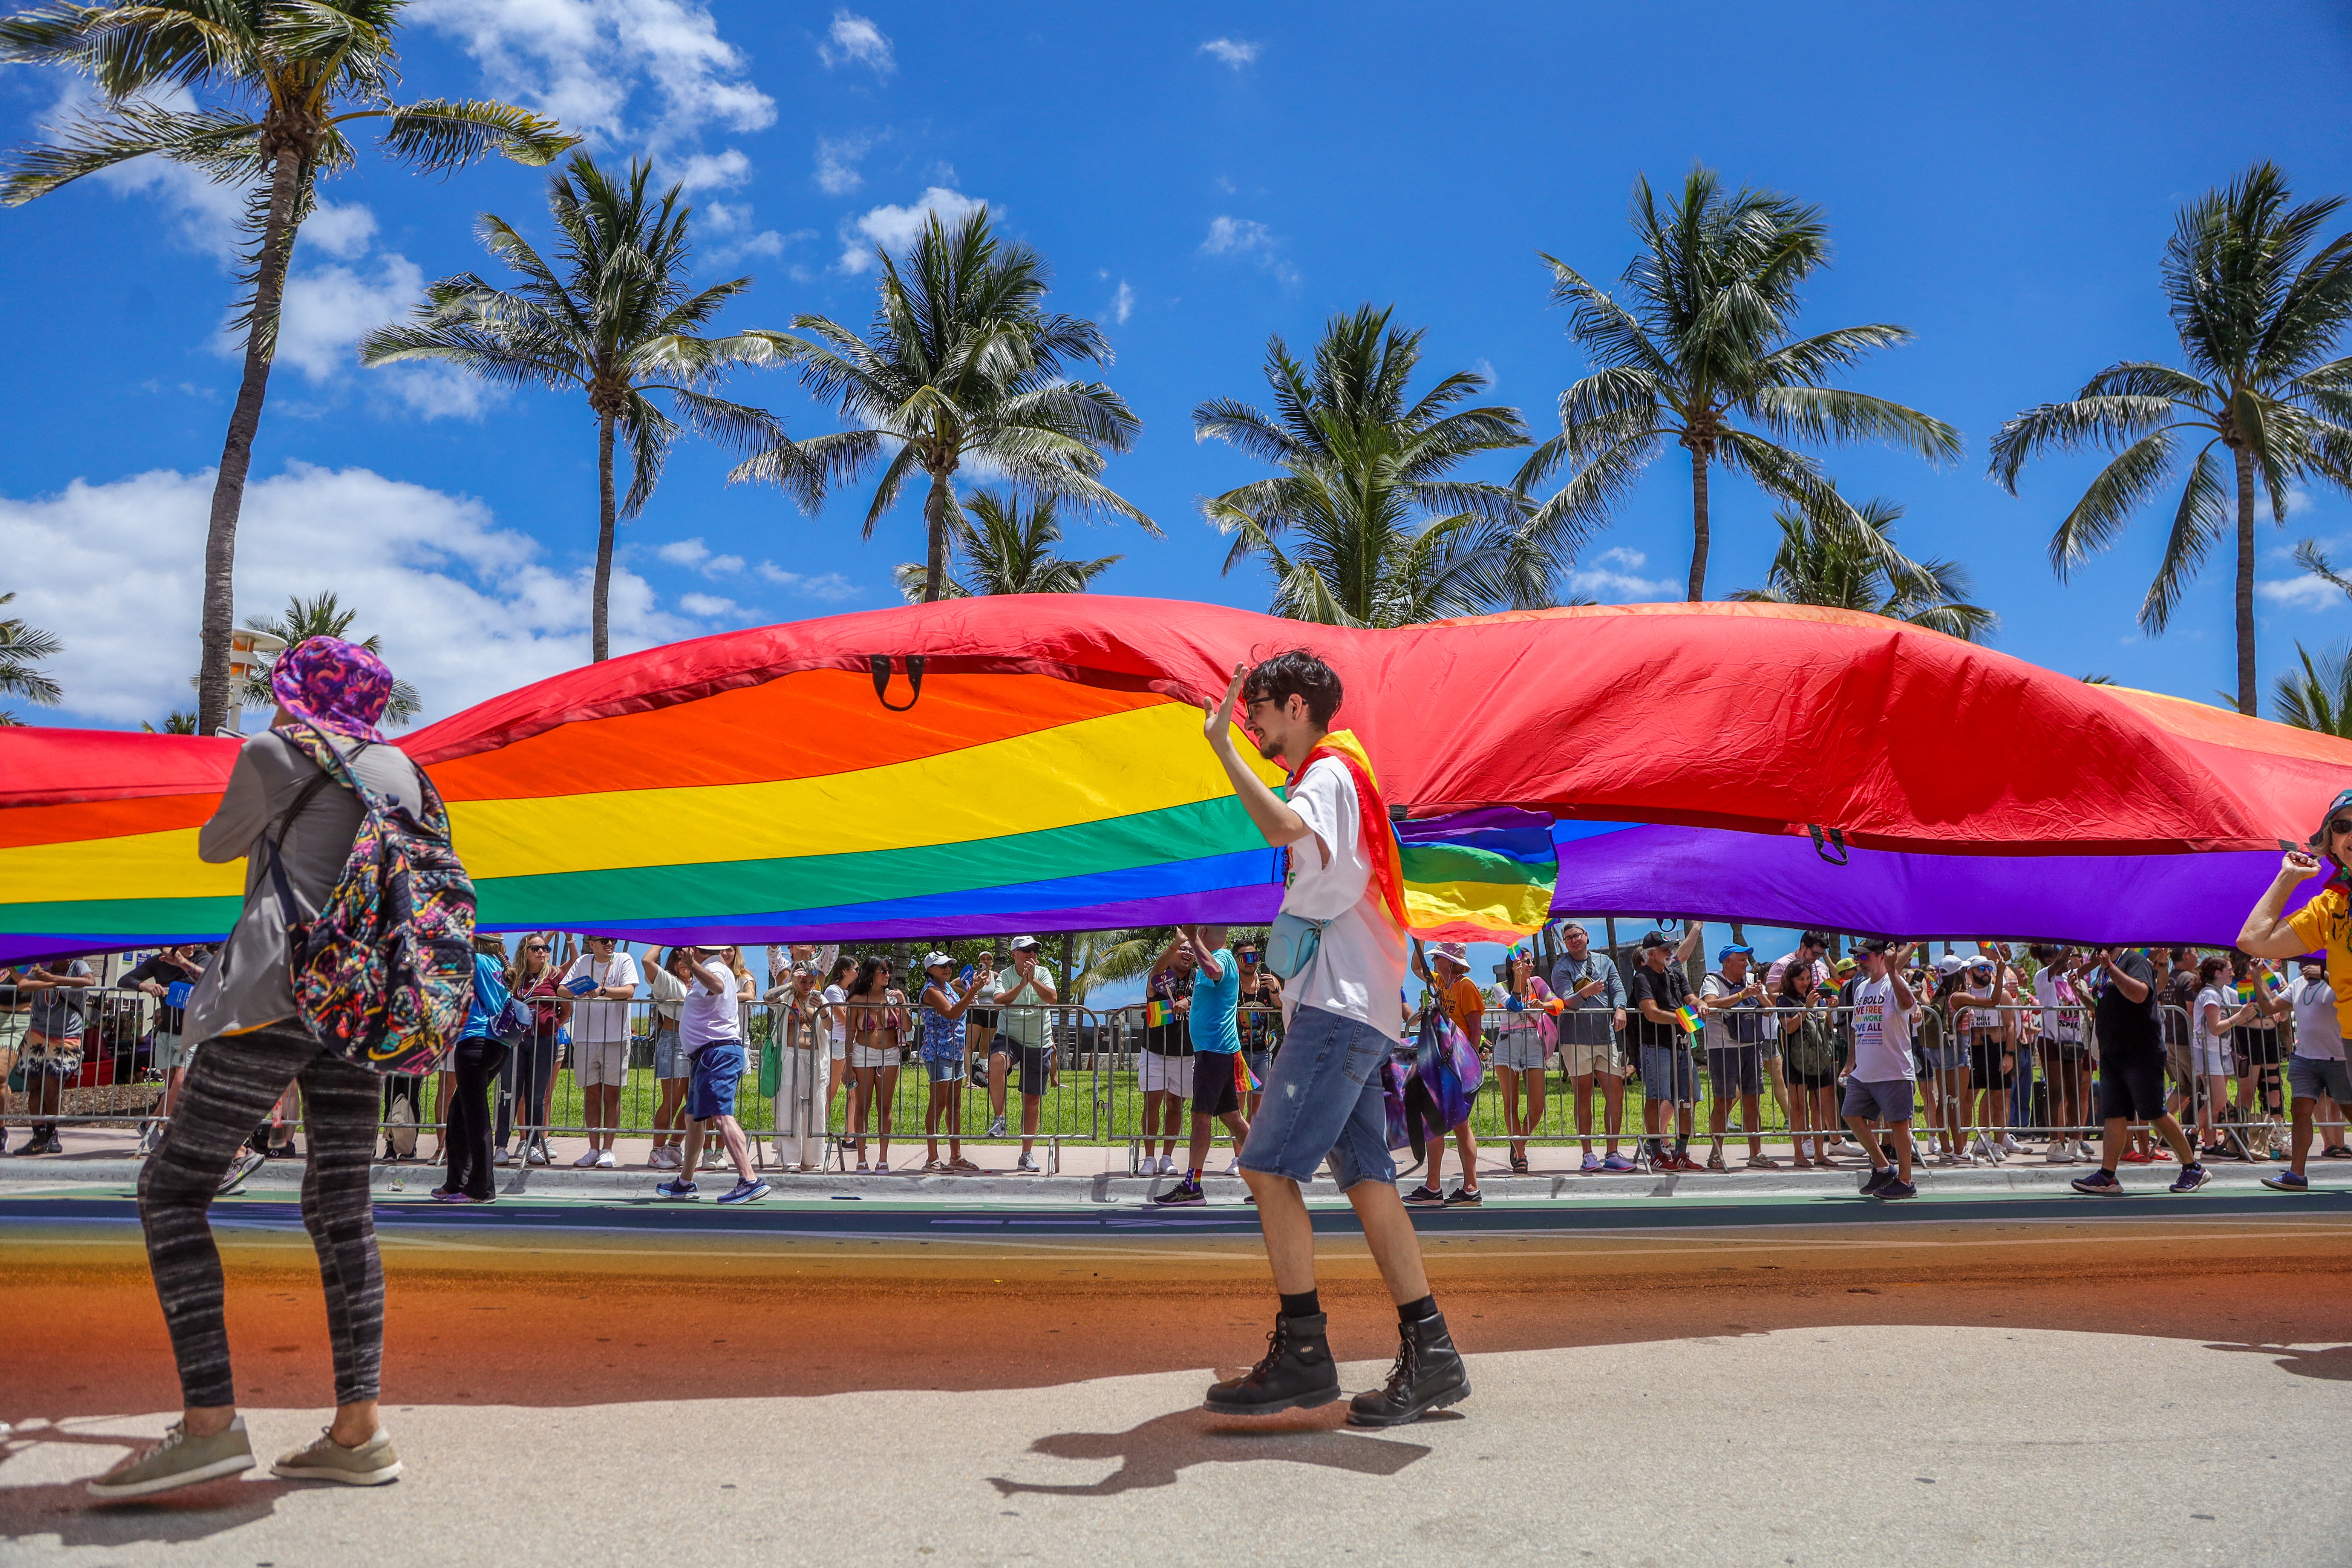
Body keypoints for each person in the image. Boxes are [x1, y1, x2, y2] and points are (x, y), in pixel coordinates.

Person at [90, 636, 421, 1498]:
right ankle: (359, 1431)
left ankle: (208, 1425)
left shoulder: (275, 750)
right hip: (363, 1004)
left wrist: (268, 775)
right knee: (343, 1209)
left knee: (173, 1189)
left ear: (297, 693)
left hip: (278, 993)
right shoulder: (405, 771)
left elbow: (216, 846)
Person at [1197, 649, 1467, 1427]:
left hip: (1338, 1011)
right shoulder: (1343, 775)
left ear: (1292, 705)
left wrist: (1219, 748)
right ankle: (1435, 1354)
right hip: (1358, 1008)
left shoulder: (1327, 773)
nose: (1253, 730)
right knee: (1370, 1182)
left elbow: (1283, 824)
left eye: (1258, 715)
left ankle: (1305, 1353)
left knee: (1266, 1167)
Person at [2066, 943, 2206, 1196]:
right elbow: (2102, 1008)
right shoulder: (2106, 970)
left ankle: (2193, 1167)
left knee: (2154, 1112)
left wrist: (2110, 967)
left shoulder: (2133, 962)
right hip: (2114, 1052)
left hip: (2142, 1051)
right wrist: (2081, 993)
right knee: (2115, 1115)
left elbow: (2141, 994)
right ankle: (2107, 1176)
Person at [655, 944, 767, 1205]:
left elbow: (717, 986)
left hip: (717, 1054)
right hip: (706, 1057)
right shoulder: (712, 968)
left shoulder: (714, 967)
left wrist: (693, 965)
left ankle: (749, 1179)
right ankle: (684, 1182)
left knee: (721, 1116)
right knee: (693, 1119)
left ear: (697, 949)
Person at [1155, 924, 1251, 1205]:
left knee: (1201, 1117)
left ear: (1203, 931)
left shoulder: (1220, 958)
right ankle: (1271, 1175)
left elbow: (1214, 972)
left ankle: (1192, 1186)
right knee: (1233, 1119)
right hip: (1215, 1051)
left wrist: (1193, 937)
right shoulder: (1220, 958)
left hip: (1214, 1051)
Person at [433, 933, 516, 1205]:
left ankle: (481, 1188)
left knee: (475, 1116)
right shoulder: (495, 963)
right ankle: (457, 1181)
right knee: (459, 1113)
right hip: (496, 1043)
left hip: (476, 1041)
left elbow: (488, 1003)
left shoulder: (476, 961)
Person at [1403, 939, 1483, 1206]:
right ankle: (1442, 1186)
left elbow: (1476, 1029)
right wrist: (1419, 936)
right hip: (1444, 1065)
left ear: (1450, 962)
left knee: (1455, 1125)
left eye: (1438, 958)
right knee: (1440, 1123)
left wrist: (1468, 1068)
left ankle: (1463, 1187)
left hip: (1458, 1067)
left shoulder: (1466, 987)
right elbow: (1417, 967)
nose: (1434, 962)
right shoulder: (1442, 983)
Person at [1549, 922, 1631, 1171]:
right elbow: (1567, 1002)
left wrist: (1620, 1008)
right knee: (1583, 1095)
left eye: (1576, 936)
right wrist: (1587, 992)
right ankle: (1588, 1155)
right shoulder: (1561, 968)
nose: (1573, 941)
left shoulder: (1605, 962)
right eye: (1568, 938)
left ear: (1586, 937)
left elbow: (1618, 988)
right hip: (1575, 1039)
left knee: (1615, 1093)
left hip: (1605, 1038)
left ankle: (1613, 1152)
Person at [1842, 939, 1920, 1199]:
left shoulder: (1893, 982)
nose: (1859, 962)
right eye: (1858, 958)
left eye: (1864, 957)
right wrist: (1849, 1064)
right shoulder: (1862, 987)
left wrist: (1894, 971)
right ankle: (1883, 1167)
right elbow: (1857, 1028)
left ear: (1879, 957)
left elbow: (1909, 1005)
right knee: (1851, 1114)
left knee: (1898, 1124)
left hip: (1893, 1068)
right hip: (1864, 1069)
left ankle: (1906, 1181)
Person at [2267, 959, 2350, 1191]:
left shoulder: (2339, 979)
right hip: (2305, 1059)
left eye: (2308, 961)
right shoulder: (2296, 985)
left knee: (2349, 1109)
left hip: (2340, 1059)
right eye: (2301, 961)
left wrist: (2325, 974)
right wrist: (2256, 978)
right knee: (2300, 1110)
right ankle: (2297, 1174)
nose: (2303, 965)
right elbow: (2269, 1008)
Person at [559, 935, 639, 1169]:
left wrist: (602, 991)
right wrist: (577, 991)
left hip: (615, 1037)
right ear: (591, 943)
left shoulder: (624, 959)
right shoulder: (583, 961)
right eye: (603, 940)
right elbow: (562, 989)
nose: (609, 943)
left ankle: (608, 1150)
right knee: (591, 1095)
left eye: (612, 939)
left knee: (612, 1096)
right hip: (584, 1038)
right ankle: (593, 1149)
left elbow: (629, 991)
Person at [123, 945, 210, 1155]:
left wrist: (177, 971)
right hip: (166, 1033)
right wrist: (145, 986)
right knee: (173, 1088)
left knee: (181, 1084)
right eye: (185, 942)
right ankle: (177, 1137)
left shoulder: (203, 958)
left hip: (193, 1033)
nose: (191, 946)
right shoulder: (158, 961)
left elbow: (206, 980)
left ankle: (150, 1124)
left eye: (194, 942)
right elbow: (125, 980)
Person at [1630, 926, 1704, 1171]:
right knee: (1657, 1097)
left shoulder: (1675, 974)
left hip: (1682, 1045)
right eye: (1665, 949)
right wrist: (1684, 1018)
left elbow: (1690, 998)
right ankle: (1656, 1153)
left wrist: (1700, 1004)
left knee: (1687, 1099)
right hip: (1656, 1046)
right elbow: (1651, 1013)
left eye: (1671, 948)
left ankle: (1681, 1151)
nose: (1670, 952)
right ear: (1651, 954)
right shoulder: (1642, 976)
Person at [1697, 940, 1775, 1170]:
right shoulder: (1712, 980)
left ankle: (1756, 1153)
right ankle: (1716, 1154)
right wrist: (1742, 995)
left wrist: (1758, 994)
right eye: (1742, 959)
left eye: (1747, 959)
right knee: (1723, 1102)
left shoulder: (1752, 980)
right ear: (1727, 961)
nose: (1746, 964)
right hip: (1723, 1048)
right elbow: (1711, 1005)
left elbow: (1770, 1010)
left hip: (1752, 1045)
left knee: (1753, 1100)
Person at [496, 933, 568, 1166]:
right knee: (509, 1093)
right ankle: (501, 1146)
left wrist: (553, 1025)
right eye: (536, 948)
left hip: (545, 1041)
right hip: (515, 1042)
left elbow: (566, 1010)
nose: (542, 952)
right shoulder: (515, 976)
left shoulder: (555, 975)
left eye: (545, 948)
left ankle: (535, 1143)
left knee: (538, 1095)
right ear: (525, 951)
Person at [14, 956, 95, 1154]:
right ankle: (38, 1136)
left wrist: (55, 980)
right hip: (38, 1034)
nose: (67, 959)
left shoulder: (78, 966)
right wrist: (48, 978)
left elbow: (90, 981)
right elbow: (23, 985)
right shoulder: (43, 968)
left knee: (52, 1089)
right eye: (62, 956)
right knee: (35, 1088)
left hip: (66, 1037)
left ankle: (52, 1133)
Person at [993, 937, 1059, 1173]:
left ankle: (1026, 1154)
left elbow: (1052, 999)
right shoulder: (1005, 976)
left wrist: (1033, 981)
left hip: (1038, 1041)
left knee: (1032, 1101)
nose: (1032, 953)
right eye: (1026, 950)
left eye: (1035, 950)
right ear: (1014, 954)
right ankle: (999, 1119)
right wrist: (1022, 984)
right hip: (1009, 1036)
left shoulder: (1044, 973)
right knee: (997, 1061)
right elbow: (999, 1001)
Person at [917, 952, 987, 1173]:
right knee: (938, 1105)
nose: (947, 968)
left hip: (955, 1053)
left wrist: (971, 989)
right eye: (941, 966)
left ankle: (956, 1156)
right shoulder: (931, 990)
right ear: (930, 970)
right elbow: (951, 1013)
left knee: (955, 1106)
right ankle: (932, 1158)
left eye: (949, 965)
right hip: (939, 1052)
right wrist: (973, 991)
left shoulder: (947, 988)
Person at [1487, 948, 1553, 1174]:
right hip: (1508, 1045)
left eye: (1532, 961)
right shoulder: (1500, 987)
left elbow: (1556, 1002)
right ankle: (1522, 1155)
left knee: (1538, 1106)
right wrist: (1517, 979)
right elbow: (1514, 1006)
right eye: (1526, 962)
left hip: (1533, 1044)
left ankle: (1518, 1144)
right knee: (1511, 1103)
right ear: (1513, 965)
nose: (1531, 965)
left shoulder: (1538, 984)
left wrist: (1544, 1005)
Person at [1776, 959, 1844, 1167]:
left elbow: (1827, 1027)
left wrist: (1831, 1009)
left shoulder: (1816, 998)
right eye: (1800, 979)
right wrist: (1807, 1008)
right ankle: (1799, 1154)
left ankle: (1820, 1154)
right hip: (1797, 1062)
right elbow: (1789, 1027)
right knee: (1798, 1109)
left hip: (1820, 1059)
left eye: (1808, 978)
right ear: (1791, 979)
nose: (1805, 983)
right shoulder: (1784, 1000)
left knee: (1819, 1108)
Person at [1139, 937, 1197, 1177]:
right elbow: (1154, 976)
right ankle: (1149, 1159)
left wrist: (1189, 1001)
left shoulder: (1198, 977)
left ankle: (1167, 1158)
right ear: (1173, 952)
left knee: (1176, 1106)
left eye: (1191, 950)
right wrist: (1176, 942)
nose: (1187, 953)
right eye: (1182, 949)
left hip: (1187, 1054)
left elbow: (1209, 998)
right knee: (1152, 1104)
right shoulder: (1161, 977)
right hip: (1155, 1052)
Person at [842, 955, 906, 1172]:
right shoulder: (858, 999)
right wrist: (847, 1065)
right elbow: (850, 1033)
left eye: (889, 972)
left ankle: (883, 1158)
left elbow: (906, 1026)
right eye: (883, 972)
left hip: (890, 1055)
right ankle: (861, 1158)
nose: (888, 976)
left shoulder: (894, 999)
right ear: (872, 974)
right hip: (863, 1054)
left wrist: (903, 1004)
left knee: (885, 1107)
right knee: (863, 1106)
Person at [2032, 946, 2094, 1165]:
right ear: (2052, 958)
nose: (2071, 960)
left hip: (2074, 1040)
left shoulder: (2070, 977)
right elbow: (2059, 963)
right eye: (2068, 956)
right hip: (2051, 1040)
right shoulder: (2043, 977)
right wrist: (2066, 947)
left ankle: (2075, 1143)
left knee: (2075, 1094)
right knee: (2056, 1092)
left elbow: (2090, 965)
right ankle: (2055, 1145)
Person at [767, 962, 827, 1172]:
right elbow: (768, 998)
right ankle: (791, 1159)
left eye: (812, 982)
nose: (808, 985)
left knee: (816, 1107)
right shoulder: (787, 996)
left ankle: (813, 1158)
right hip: (791, 1055)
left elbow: (830, 1026)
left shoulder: (819, 998)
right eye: (804, 981)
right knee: (789, 1105)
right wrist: (789, 984)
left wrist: (823, 1010)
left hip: (816, 1057)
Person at [645, 947, 693, 1168]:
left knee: (696, 1101)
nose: (683, 962)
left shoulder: (701, 980)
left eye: (687, 957)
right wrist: (664, 941)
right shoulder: (667, 980)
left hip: (698, 1044)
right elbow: (647, 961)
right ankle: (656, 1151)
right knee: (673, 1100)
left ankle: (674, 1146)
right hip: (674, 1042)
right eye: (678, 957)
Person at [1235, 943, 1283, 1129]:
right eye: (1246, 957)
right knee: (1238, 1105)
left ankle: (1251, 1155)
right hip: (1238, 1052)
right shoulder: (1233, 982)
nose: (1251, 962)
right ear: (1236, 960)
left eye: (1254, 957)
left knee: (1258, 1107)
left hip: (1262, 1053)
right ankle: (1238, 1157)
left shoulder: (1267, 981)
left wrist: (1274, 989)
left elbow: (1280, 1004)